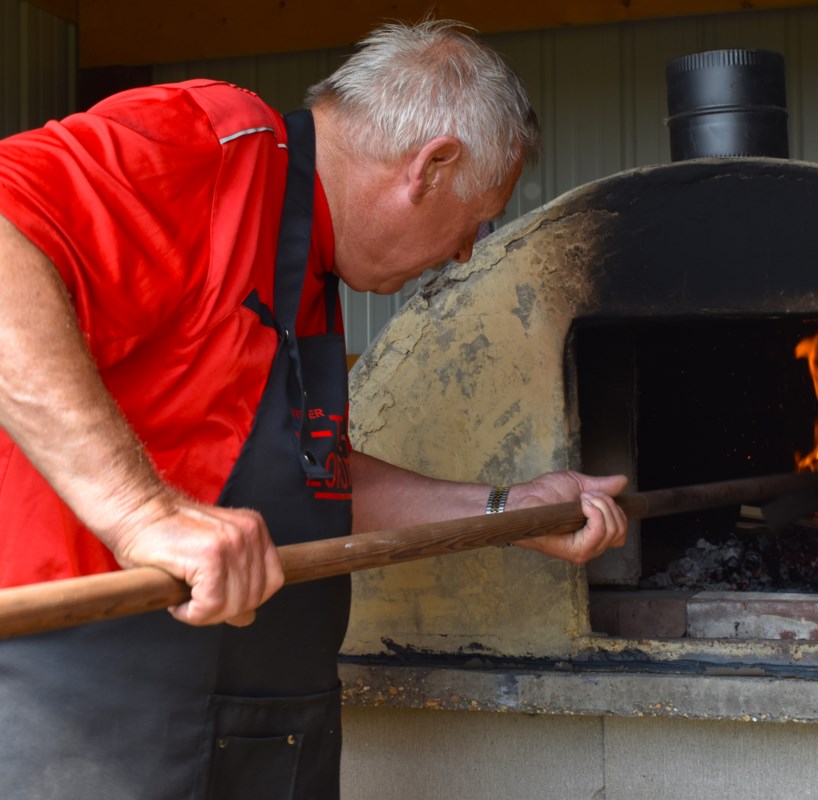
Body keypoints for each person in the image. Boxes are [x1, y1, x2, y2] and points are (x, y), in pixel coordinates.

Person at [0, 19, 627, 800]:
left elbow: (311, 477)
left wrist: (510, 507)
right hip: (98, 707)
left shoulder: (313, 266)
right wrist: (139, 513)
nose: (467, 252)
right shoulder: (212, 146)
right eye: (477, 221)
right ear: (431, 167)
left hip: (268, 719)